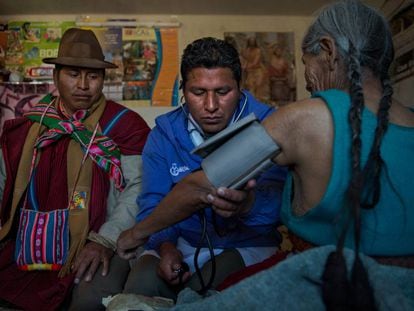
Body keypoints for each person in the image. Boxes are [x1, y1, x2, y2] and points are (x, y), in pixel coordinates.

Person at [117, 0, 414, 309]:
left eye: (304, 61)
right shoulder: (409, 118)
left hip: (330, 285)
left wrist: (135, 235)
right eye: (198, 93)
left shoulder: (302, 118)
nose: (308, 80)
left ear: (327, 51)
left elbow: (200, 186)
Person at [119, 37, 286, 301]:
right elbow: (152, 202)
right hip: (181, 243)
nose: (211, 106)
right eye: (198, 92)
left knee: (205, 295)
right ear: (182, 90)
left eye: (223, 92)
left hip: (249, 243)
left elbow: (283, 204)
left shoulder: (270, 125)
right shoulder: (163, 135)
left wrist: (248, 206)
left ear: (240, 88)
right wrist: (165, 246)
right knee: (139, 290)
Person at [0, 28, 150, 311]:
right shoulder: (30, 125)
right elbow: (3, 181)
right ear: (56, 76)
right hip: (30, 241)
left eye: (93, 76)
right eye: (73, 74)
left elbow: (138, 188)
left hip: (98, 241)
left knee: (89, 299)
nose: (83, 85)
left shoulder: (123, 125)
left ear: (103, 79)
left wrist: (105, 238)